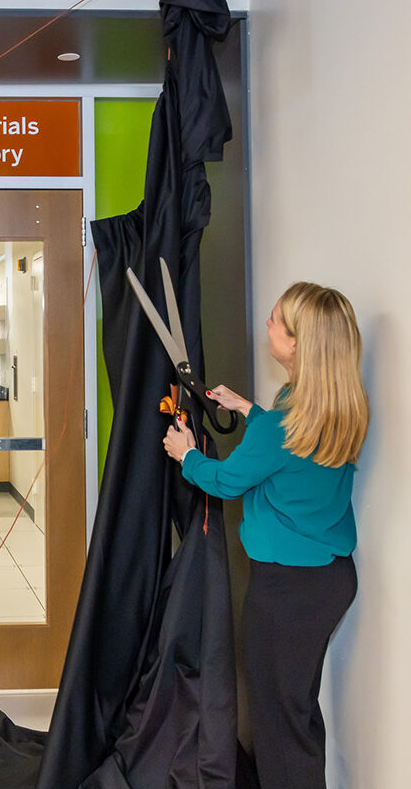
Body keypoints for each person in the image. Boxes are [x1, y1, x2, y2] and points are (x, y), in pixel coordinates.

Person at [162, 282, 368, 789]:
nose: (268, 324)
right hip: (330, 582)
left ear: (297, 344)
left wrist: (185, 453)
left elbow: (227, 480)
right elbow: (290, 448)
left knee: (279, 725)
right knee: (296, 711)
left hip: (285, 593)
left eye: (276, 320)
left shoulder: (280, 425)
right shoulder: (333, 407)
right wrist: (250, 409)